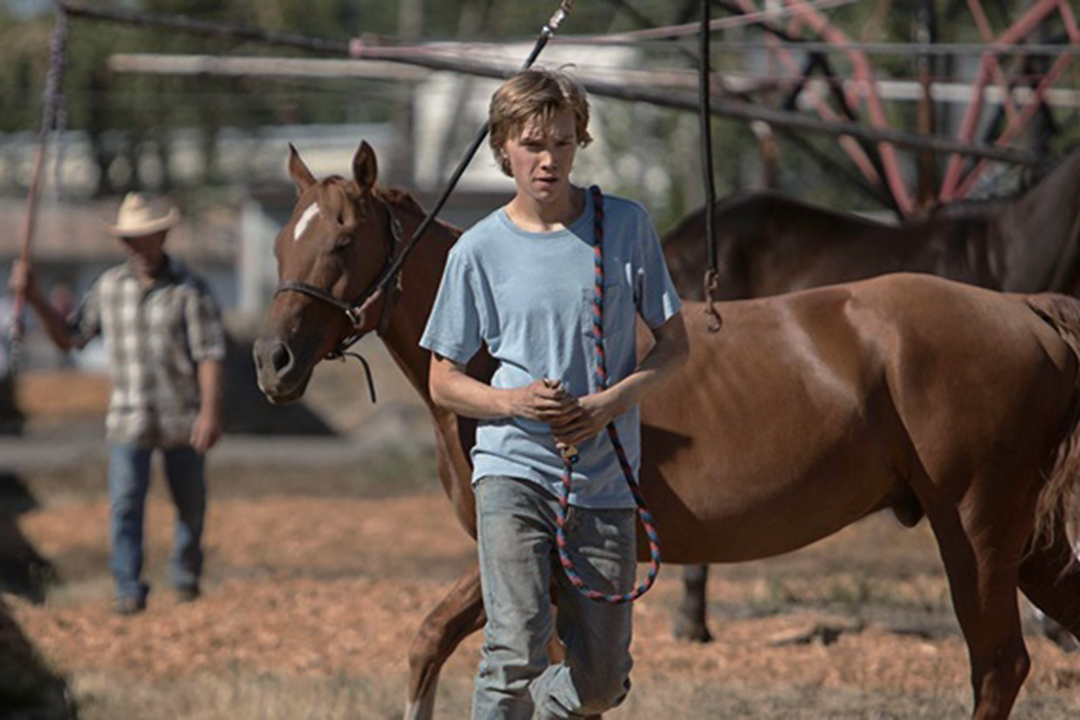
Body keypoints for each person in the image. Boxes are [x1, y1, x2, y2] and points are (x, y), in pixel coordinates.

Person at [420, 68, 688, 719]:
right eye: (533, 145)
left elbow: (677, 347)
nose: (549, 161)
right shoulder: (477, 250)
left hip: (605, 480)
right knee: (514, 652)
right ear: (504, 146)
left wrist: (609, 405)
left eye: (563, 144)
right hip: (512, 470)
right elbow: (442, 380)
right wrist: (513, 403)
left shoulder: (624, 227)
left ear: (579, 143)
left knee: (602, 682)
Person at [9, 193, 226, 616]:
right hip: (129, 417)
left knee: (190, 504)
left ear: (161, 236)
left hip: (180, 415)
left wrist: (211, 413)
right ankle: (128, 586)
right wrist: (34, 298)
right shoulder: (109, 288)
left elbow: (210, 354)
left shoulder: (190, 289)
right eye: (129, 240)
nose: (137, 247)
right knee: (126, 503)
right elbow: (71, 338)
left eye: (144, 238)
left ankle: (185, 576)